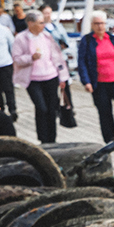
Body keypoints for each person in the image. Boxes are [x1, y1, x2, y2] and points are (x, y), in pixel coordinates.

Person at [10, 10, 69, 143]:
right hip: (33, 79)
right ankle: (43, 138)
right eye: (40, 23)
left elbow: (57, 57)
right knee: (41, 108)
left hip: (51, 76)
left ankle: (52, 139)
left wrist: (63, 76)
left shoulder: (47, 36)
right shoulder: (21, 38)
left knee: (52, 108)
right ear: (30, 23)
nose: (43, 25)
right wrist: (31, 58)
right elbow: (17, 59)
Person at [76, 13, 114, 142]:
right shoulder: (87, 41)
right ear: (92, 25)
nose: (100, 26)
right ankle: (110, 139)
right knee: (105, 112)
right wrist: (86, 81)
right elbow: (82, 62)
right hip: (99, 83)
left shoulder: (113, 39)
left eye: (102, 23)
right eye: (97, 24)